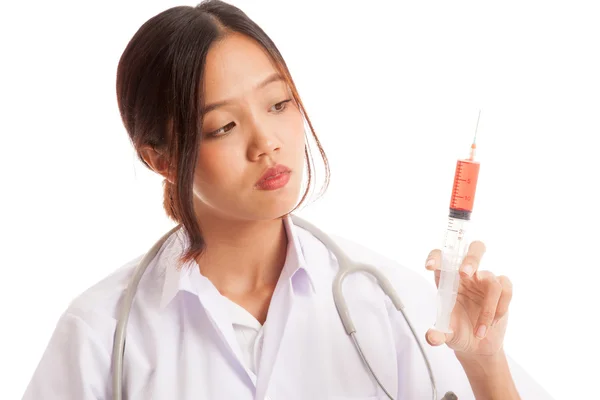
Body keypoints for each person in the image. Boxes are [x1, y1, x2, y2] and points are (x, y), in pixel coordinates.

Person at [23, 1, 552, 399]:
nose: (267, 142)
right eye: (223, 126)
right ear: (159, 158)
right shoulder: (100, 333)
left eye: (279, 103)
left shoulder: (392, 304)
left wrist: (483, 363)